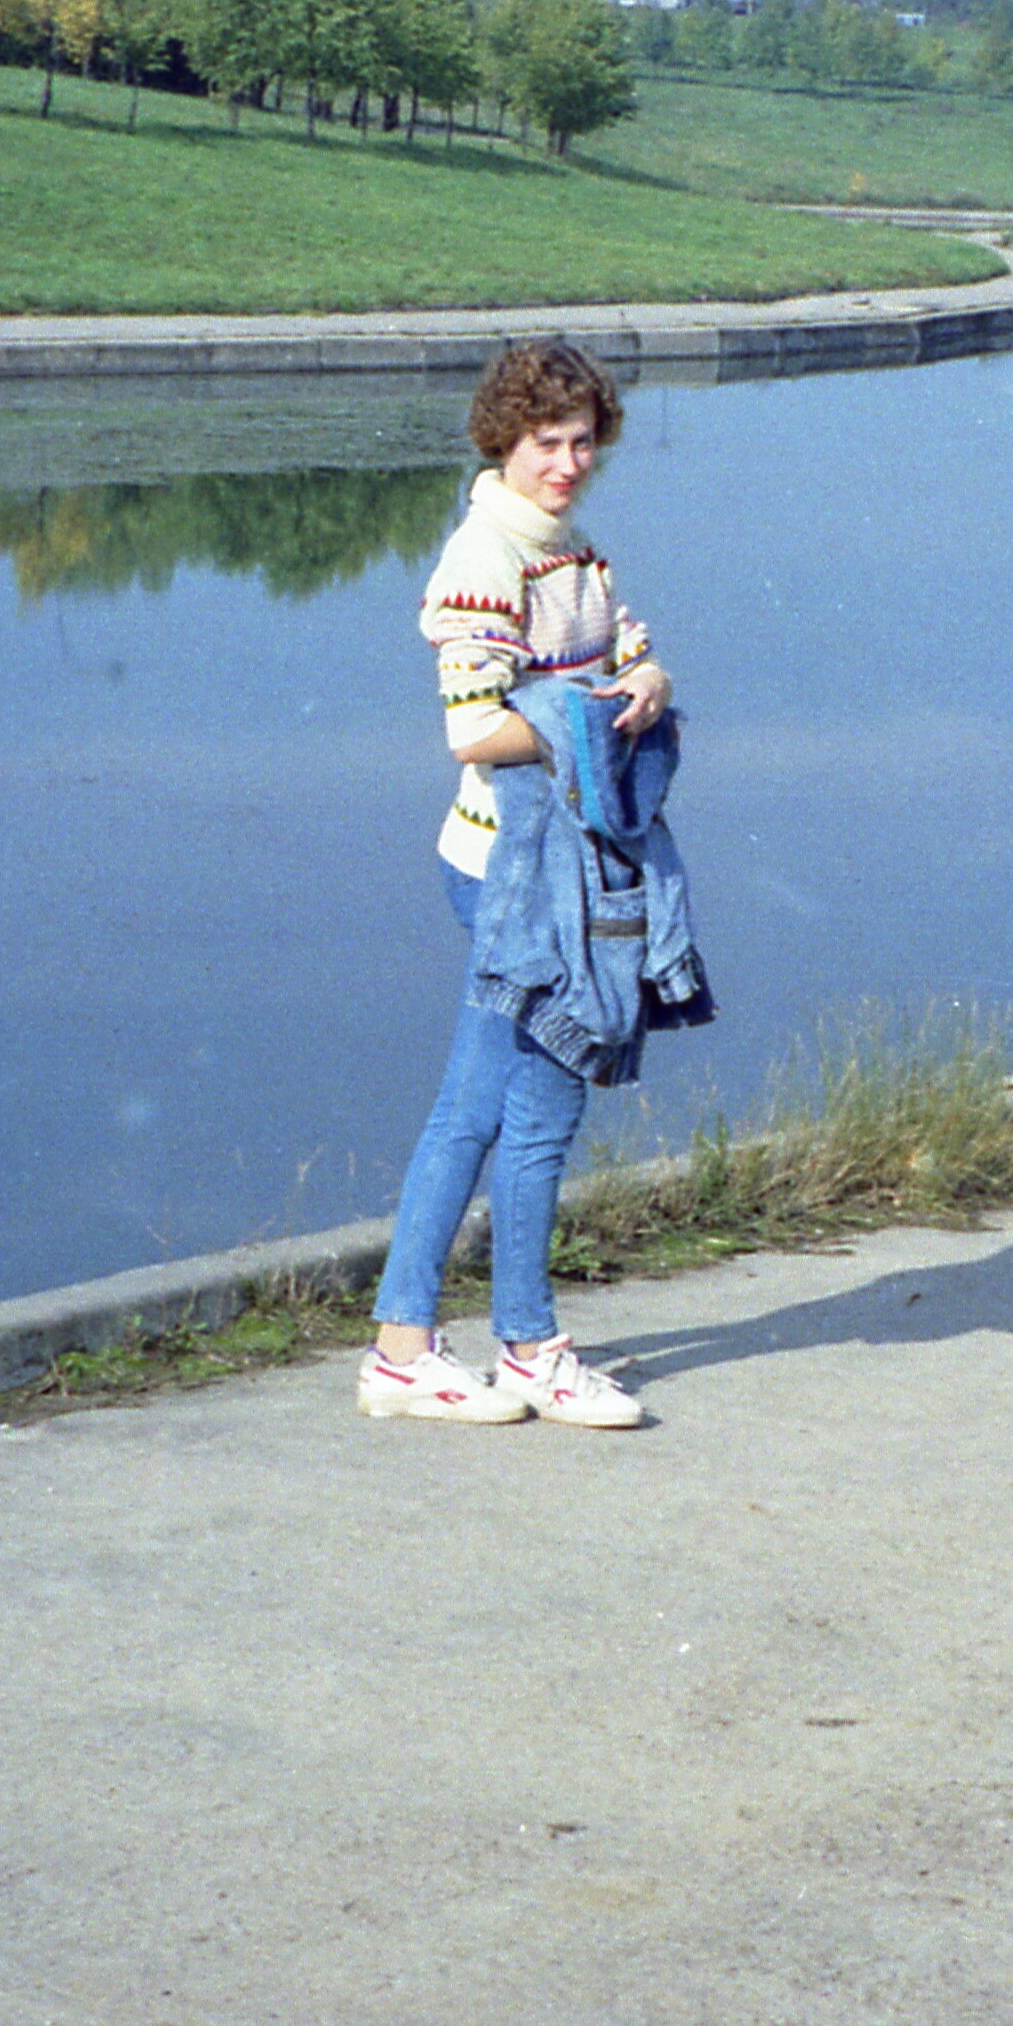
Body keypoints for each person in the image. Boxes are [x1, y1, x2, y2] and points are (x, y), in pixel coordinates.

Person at [362, 339, 675, 1430]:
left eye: (585, 440)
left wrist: (647, 677)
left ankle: (411, 1346)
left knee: (479, 1105)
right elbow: (471, 730)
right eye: (548, 441)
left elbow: (624, 646)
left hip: (554, 869)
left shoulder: (568, 547)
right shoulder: (484, 558)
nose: (569, 461)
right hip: (511, 873)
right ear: (505, 436)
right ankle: (523, 1346)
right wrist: (584, 717)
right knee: (534, 1111)